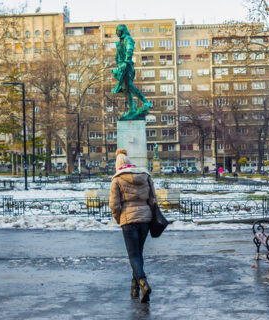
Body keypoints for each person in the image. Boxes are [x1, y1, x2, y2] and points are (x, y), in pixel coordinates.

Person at [110, 148, 156, 303]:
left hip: (128, 220)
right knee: (139, 253)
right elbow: (152, 199)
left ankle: (143, 283)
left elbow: (114, 204)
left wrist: (119, 219)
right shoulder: (146, 176)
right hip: (145, 219)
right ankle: (134, 287)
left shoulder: (117, 179)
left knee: (133, 255)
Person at [111, 24, 151, 120]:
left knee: (129, 86)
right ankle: (132, 109)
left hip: (127, 66)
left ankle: (145, 101)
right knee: (125, 89)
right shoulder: (120, 41)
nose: (116, 33)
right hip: (121, 67)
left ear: (121, 31)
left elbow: (129, 49)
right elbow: (118, 55)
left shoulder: (127, 39)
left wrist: (126, 61)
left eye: (117, 31)